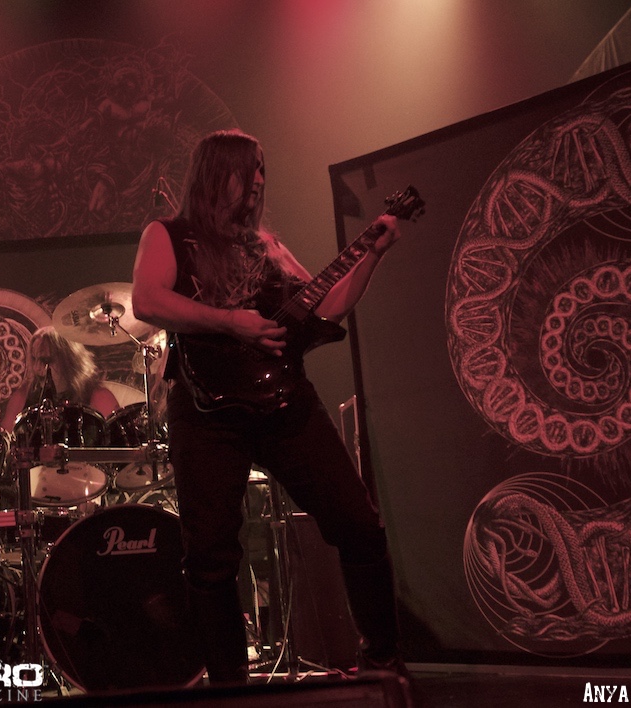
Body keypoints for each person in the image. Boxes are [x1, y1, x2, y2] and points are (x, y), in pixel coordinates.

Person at [131, 129, 405, 683]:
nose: (259, 180)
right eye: (248, 168)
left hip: (284, 400)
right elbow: (147, 299)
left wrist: (371, 255)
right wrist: (231, 322)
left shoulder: (268, 247)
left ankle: (382, 661)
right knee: (211, 554)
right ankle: (229, 684)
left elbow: (327, 306)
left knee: (359, 523)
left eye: (263, 170)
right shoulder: (169, 235)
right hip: (206, 411)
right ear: (216, 172)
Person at [0, 325, 120, 432]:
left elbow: (118, 445)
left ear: (68, 361)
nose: (37, 368)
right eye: (34, 359)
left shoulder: (100, 397)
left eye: (45, 360)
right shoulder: (23, 396)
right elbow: (6, 442)